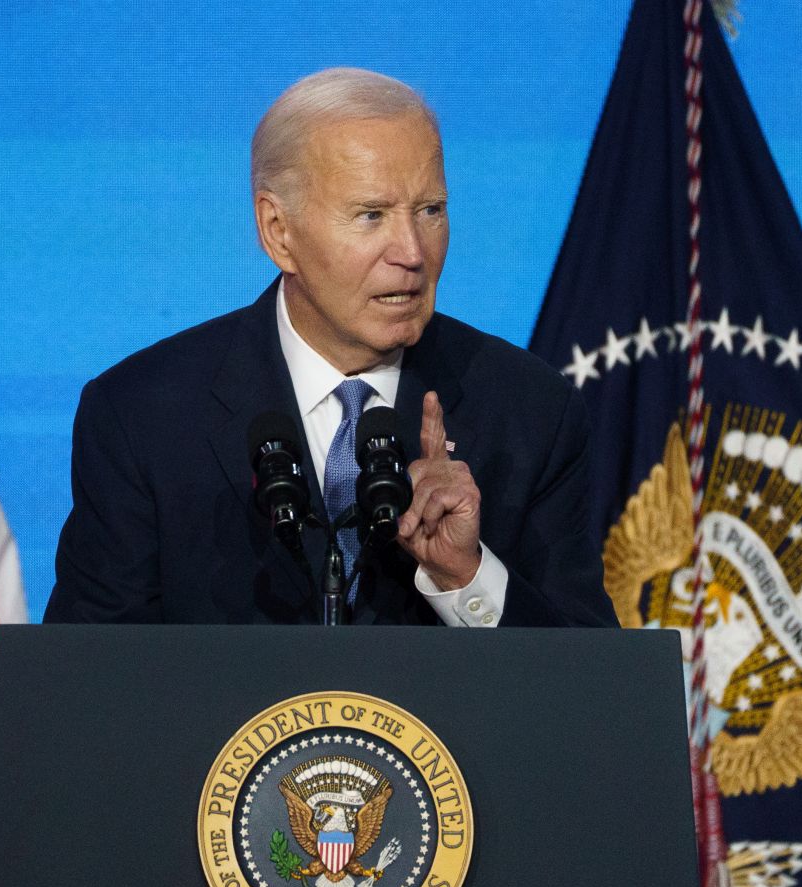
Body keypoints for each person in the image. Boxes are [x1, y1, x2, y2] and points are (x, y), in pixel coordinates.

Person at [44, 68, 616, 628]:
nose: (413, 253)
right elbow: (77, 692)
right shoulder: (143, 418)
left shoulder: (530, 412)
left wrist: (465, 578)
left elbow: (597, 701)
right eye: (371, 215)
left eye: (430, 211)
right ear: (278, 231)